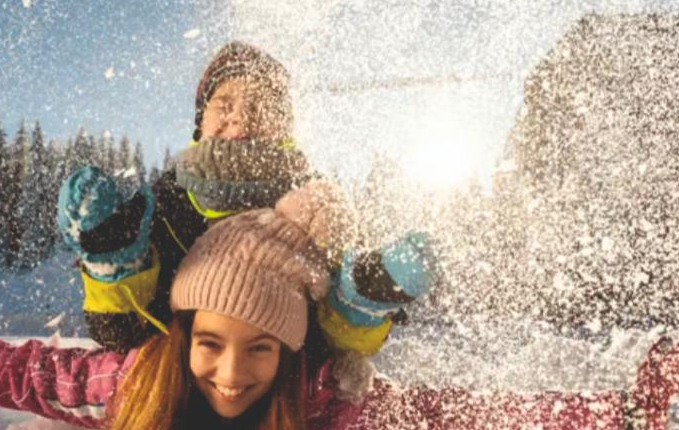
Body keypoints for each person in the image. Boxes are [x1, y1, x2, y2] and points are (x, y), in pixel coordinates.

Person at [0, 206, 679, 430]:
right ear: (183, 334)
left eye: (260, 349)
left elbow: (473, 427)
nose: (230, 372)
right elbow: (15, 370)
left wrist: (620, 415)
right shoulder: (136, 381)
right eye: (210, 342)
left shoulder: (335, 412)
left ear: (293, 354)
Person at [59, 41, 429, 361]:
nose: (239, 116)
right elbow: (121, 338)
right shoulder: (164, 204)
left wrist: (359, 305)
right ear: (200, 121)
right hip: (172, 393)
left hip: (286, 410)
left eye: (260, 105)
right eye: (224, 103)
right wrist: (114, 268)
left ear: (284, 125)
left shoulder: (319, 207)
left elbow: (337, 354)